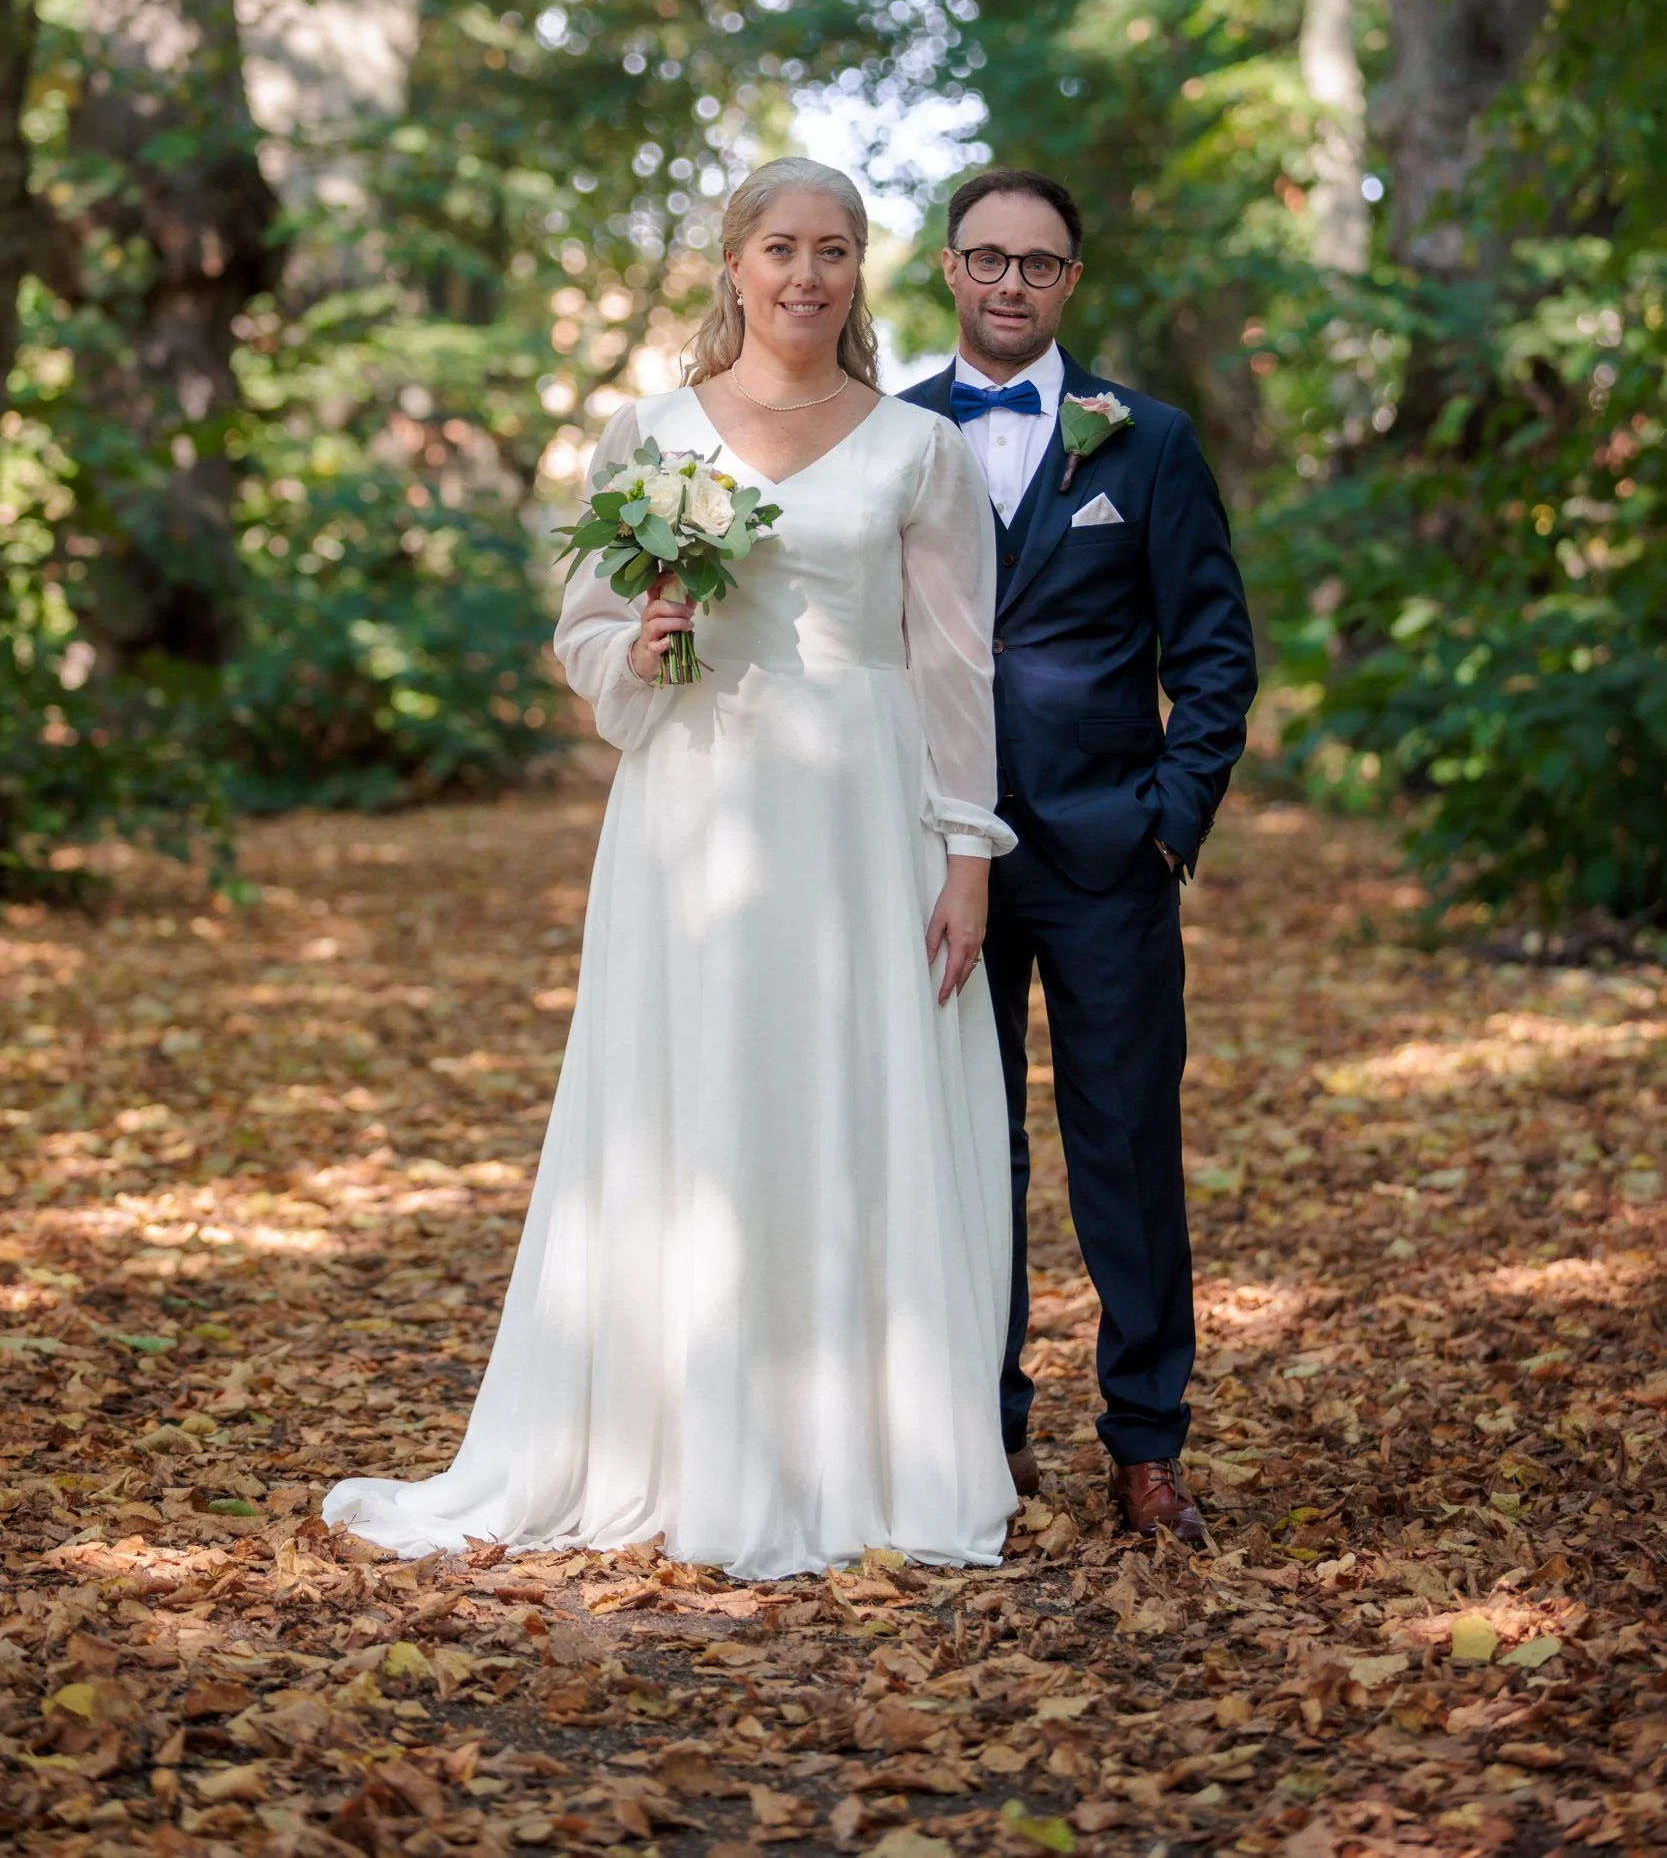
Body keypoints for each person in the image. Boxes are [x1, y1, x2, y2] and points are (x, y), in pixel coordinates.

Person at [322, 158, 1017, 1579]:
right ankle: (681, 1433)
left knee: (850, 1091)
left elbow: (956, 669)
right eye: (782, 248)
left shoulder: (916, 450)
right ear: (735, 263)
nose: (806, 275)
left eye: (833, 250)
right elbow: (583, 631)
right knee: (693, 1092)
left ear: (859, 270)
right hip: (694, 801)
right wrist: (638, 645)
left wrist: (967, 854)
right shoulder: (649, 433)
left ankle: (859, 1447)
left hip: (862, 808)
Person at [903, 166, 1257, 1544]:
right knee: (958, 1150)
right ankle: (979, 1435)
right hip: (935, 851)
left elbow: (1213, 651)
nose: (1011, 282)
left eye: (1038, 263)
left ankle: (1145, 1443)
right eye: (987, 258)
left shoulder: (1148, 441)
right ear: (950, 268)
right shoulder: (886, 433)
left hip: (1109, 852)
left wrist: (1172, 819)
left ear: (1070, 282)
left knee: (1125, 1147)